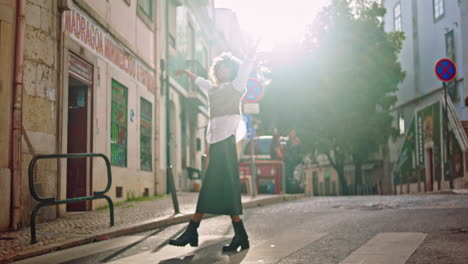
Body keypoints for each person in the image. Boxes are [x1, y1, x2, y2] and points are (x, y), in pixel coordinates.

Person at [168, 46, 257, 252]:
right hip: (216, 144)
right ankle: (240, 235)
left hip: (226, 143)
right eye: (220, 69)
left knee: (211, 184)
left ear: (232, 71)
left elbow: (245, 68)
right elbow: (200, 81)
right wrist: (186, 73)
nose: (222, 71)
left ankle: (193, 229)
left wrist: (251, 53)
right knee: (224, 186)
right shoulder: (213, 89)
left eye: (226, 68)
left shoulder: (237, 86)